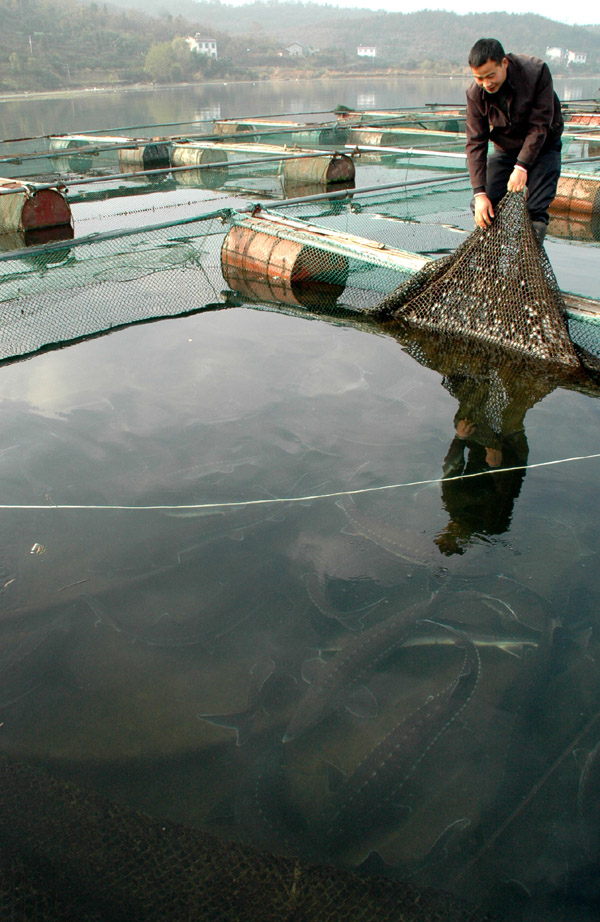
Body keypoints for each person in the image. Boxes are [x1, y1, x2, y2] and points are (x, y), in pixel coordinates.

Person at [465, 37, 564, 246]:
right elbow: (475, 143)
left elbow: (540, 125)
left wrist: (522, 166)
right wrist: (480, 194)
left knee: (535, 209)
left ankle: (527, 266)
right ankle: (488, 264)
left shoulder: (536, 73)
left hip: (544, 144)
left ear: (504, 63)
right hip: (507, 147)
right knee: (484, 203)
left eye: (491, 75)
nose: (486, 83)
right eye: (479, 78)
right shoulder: (475, 94)